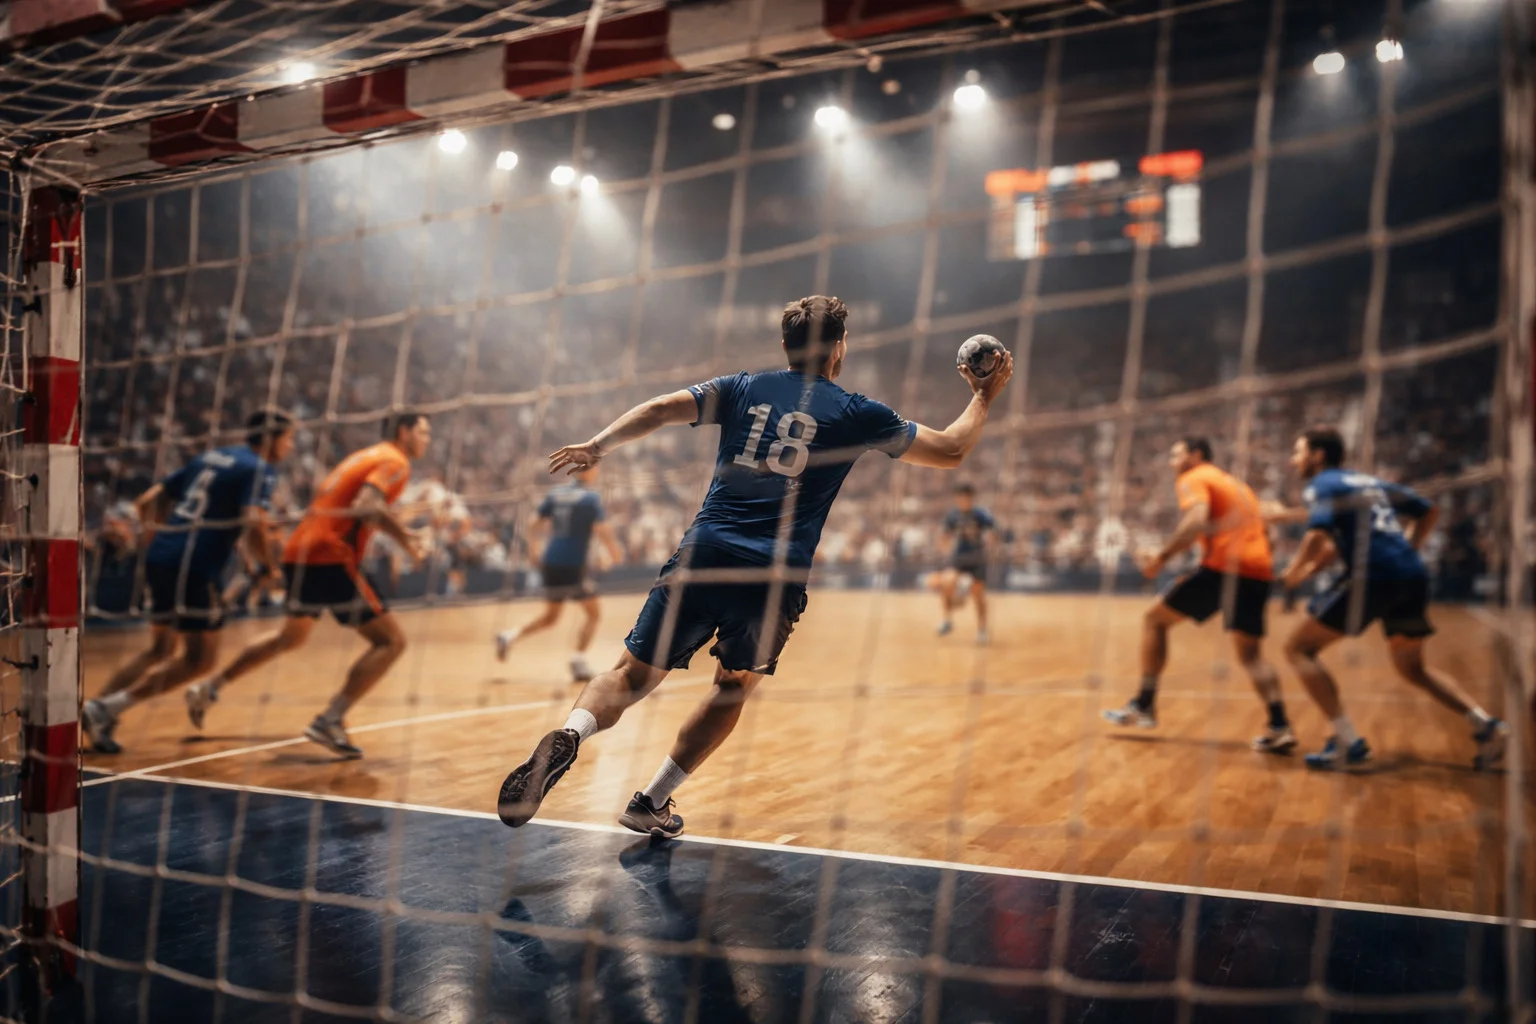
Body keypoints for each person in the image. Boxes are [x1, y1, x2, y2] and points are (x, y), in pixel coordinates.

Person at [495, 295, 1013, 838]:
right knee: (731, 686)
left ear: (785, 347)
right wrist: (982, 395)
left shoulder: (743, 387)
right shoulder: (858, 411)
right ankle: (652, 800)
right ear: (839, 349)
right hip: (773, 577)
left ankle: (572, 735)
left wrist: (597, 445)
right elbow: (951, 449)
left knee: (628, 675)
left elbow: (659, 409)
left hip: (704, 553)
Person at [183, 411, 432, 758]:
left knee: (291, 637)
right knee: (391, 642)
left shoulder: (364, 455)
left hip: (300, 549)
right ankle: (331, 719)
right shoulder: (394, 461)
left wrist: (400, 532)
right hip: (331, 553)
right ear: (403, 432)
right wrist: (406, 539)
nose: (427, 439)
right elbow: (366, 506)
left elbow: (357, 506)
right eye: (423, 432)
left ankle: (208, 688)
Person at [1277, 427, 1506, 769]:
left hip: (1374, 576)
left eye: (1298, 451)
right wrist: (1409, 549)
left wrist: (1294, 571)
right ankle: (1486, 725)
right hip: (1411, 575)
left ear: (1318, 455)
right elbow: (1427, 510)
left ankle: (1348, 743)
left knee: (1298, 649)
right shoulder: (1368, 482)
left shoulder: (1323, 484)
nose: (1293, 460)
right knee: (1413, 668)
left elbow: (1316, 534)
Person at [82, 410, 296, 754]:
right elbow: (253, 520)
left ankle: (100, 713)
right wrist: (269, 567)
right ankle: (105, 708)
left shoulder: (212, 457)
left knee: (161, 650)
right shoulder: (259, 469)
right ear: (271, 439)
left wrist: (158, 538)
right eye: (289, 438)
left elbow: (147, 501)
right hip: (194, 566)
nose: (292, 445)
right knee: (201, 660)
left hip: (161, 558)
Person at [1103, 438, 1294, 752]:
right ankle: (1279, 725)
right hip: (1258, 570)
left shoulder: (1194, 478)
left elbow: (1195, 521)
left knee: (1154, 620)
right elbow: (1266, 532)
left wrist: (1160, 558)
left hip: (1224, 568)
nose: (1171, 461)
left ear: (1196, 455)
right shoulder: (1236, 484)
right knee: (1251, 655)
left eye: (1176, 454)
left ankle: (1144, 704)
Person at [495, 465, 626, 682]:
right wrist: (614, 553)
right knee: (594, 614)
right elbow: (603, 530)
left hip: (551, 560)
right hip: (573, 565)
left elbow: (532, 523)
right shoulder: (590, 498)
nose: (598, 472)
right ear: (587, 471)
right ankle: (578, 660)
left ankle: (509, 636)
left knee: (551, 617)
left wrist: (533, 550)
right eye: (595, 468)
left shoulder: (556, 494)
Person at [928, 483, 996, 644]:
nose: (963, 500)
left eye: (967, 497)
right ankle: (947, 620)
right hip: (959, 559)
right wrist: (943, 548)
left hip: (977, 559)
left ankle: (982, 630)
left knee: (979, 596)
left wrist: (990, 544)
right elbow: (943, 535)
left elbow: (992, 532)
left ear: (971, 498)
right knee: (945, 583)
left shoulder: (981, 514)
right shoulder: (953, 516)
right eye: (961, 497)